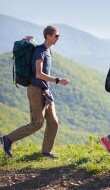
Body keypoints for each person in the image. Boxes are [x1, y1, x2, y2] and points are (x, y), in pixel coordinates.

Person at [0, 25, 70, 159]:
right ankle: (7, 139)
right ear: (48, 36)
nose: (58, 38)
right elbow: (38, 74)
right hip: (36, 90)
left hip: (45, 90)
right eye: (56, 36)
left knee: (53, 122)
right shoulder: (40, 51)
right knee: (37, 123)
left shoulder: (49, 50)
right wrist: (58, 80)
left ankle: (46, 152)